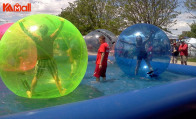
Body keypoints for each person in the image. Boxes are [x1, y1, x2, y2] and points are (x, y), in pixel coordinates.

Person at [19, 17, 66, 98]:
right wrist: (62, 23)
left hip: (41, 61)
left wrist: (21, 23)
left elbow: (27, 32)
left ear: (40, 32)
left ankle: (31, 92)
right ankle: (61, 91)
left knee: (36, 77)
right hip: (50, 60)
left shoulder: (37, 38)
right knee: (55, 76)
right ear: (47, 31)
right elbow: (58, 31)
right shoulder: (51, 38)